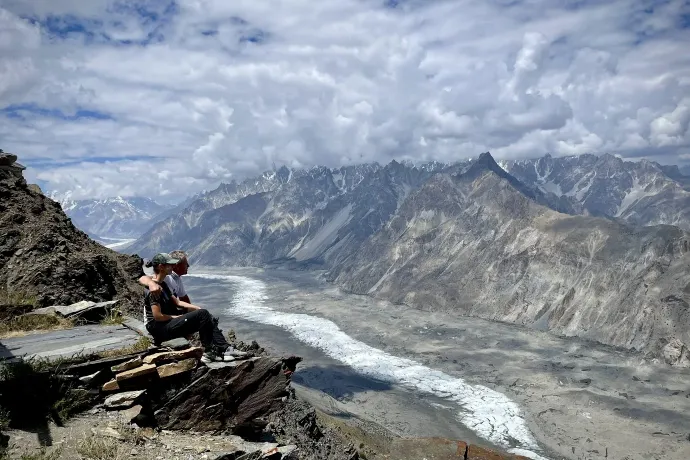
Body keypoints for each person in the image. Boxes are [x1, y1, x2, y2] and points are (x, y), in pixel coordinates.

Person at [143, 252, 222, 363]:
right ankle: (209, 352)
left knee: (203, 314)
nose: (172, 267)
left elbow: (177, 302)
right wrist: (178, 317)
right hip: (159, 328)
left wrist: (197, 308)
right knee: (202, 315)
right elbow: (157, 317)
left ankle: (220, 348)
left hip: (165, 325)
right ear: (161, 267)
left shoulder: (163, 285)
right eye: (169, 265)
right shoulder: (153, 290)